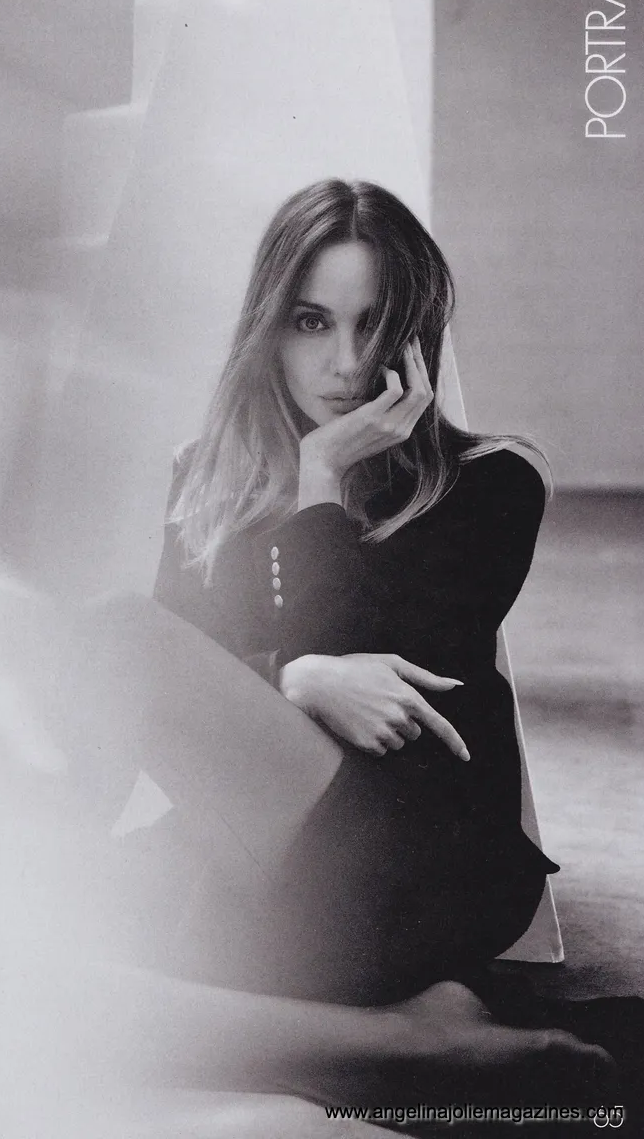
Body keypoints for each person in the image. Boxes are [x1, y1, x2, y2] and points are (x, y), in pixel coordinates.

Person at [152, 177, 561, 1007]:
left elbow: (380, 709)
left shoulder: (493, 484)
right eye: (312, 322)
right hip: (261, 842)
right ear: (269, 329)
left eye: (371, 324)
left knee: (167, 973)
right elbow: (175, 683)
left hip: (428, 848)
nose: (344, 363)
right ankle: (432, 1032)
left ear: (414, 335)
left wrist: (322, 478)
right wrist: (296, 679)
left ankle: (422, 1032)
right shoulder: (208, 479)